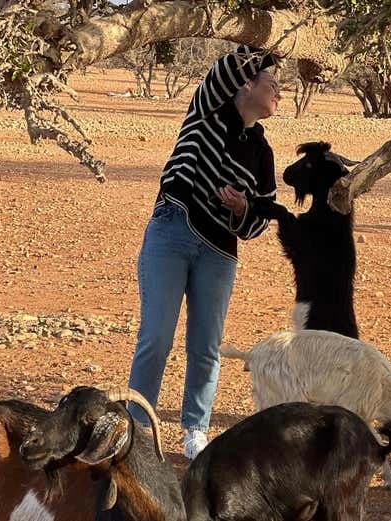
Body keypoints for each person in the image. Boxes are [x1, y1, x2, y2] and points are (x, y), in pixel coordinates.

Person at [127, 45, 281, 460]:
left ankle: (195, 431)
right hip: (172, 230)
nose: (279, 93)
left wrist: (243, 207)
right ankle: (137, 429)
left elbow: (261, 219)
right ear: (246, 84)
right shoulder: (208, 110)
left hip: (220, 250)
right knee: (156, 337)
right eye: (273, 83)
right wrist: (271, 46)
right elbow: (226, 67)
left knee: (206, 346)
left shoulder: (262, 153)